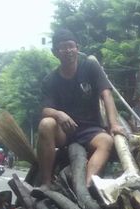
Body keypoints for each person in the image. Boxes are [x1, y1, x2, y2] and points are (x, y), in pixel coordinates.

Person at [37, 29, 125, 187]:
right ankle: (46, 182)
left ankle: (86, 186)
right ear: (55, 52)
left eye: (71, 46)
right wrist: (59, 114)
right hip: (65, 131)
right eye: (63, 47)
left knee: (106, 141)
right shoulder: (50, 80)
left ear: (77, 48)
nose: (68, 51)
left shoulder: (90, 67)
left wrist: (113, 124)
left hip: (90, 129)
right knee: (46, 124)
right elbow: (45, 110)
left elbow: (106, 94)